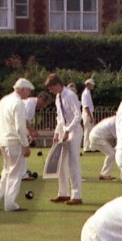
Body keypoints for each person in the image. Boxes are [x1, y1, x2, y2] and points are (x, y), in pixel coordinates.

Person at [0, 78, 33, 211]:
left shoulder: (4, 100)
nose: (29, 94)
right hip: (14, 142)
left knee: (7, 171)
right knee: (15, 173)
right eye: (28, 91)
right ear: (22, 89)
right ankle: (10, 204)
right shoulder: (18, 103)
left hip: (3, 141)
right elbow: (20, 128)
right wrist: (25, 145)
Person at [46, 73, 83, 205]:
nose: (51, 91)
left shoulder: (70, 95)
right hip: (64, 130)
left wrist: (68, 130)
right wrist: (57, 132)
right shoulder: (58, 97)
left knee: (73, 162)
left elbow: (78, 116)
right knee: (61, 162)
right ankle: (63, 193)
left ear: (57, 84)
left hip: (75, 131)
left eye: (51, 88)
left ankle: (77, 195)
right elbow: (60, 117)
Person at [87, 115, 117, 180]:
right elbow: (117, 138)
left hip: (99, 136)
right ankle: (104, 174)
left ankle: (105, 174)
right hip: (97, 137)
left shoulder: (115, 120)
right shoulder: (114, 122)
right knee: (112, 154)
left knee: (112, 153)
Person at [81, 78, 96, 152]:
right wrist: (90, 116)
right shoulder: (86, 94)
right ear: (88, 85)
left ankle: (90, 146)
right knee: (87, 130)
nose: (93, 86)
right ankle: (86, 147)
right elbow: (86, 106)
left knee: (90, 130)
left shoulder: (88, 93)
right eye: (92, 84)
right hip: (87, 113)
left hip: (88, 113)